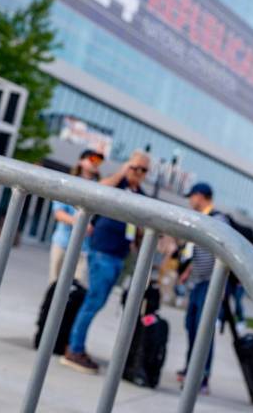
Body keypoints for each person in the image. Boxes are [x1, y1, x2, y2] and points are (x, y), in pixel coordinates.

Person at [59, 150, 151, 374]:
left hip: (120, 255)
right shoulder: (116, 183)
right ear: (128, 166)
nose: (138, 173)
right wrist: (122, 171)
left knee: (97, 301)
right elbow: (99, 190)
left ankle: (76, 346)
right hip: (102, 252)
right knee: (93, 301)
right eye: (135, 167)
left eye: (144, 170)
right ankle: (74, 349)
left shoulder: (140, 193)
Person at [175, 182, 226, 393]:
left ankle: (202, 377)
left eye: (192, 196)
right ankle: (191, 369)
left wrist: (221, 287)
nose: (190, 201)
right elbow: (197, 252)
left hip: (210, 284)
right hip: (196, 283)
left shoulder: (219, 220)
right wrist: (187, 272)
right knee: (192, 327)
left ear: (201, 196)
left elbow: (223, 254)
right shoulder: (202, 220)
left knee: (203, 331)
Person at [47, 148, 104, 285]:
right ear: (81, 161)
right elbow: (58, 213)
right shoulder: (68, 182)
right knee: (54, 285)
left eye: (99, 160)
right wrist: (79, 223)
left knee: (75, 290)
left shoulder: (101, 188)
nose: (95, 163)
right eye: (92, 159)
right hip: (63, 243)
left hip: (84, 248)